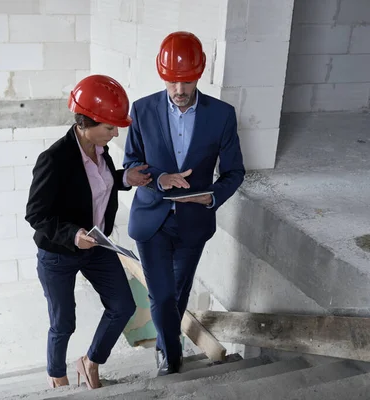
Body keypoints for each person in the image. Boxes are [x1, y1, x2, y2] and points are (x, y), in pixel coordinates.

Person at [123, 31, 246, 376]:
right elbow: (131, 163)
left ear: (199, 74)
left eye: (187, 81)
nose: (180, 90)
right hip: (151, 220)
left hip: (193, 222)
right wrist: (159, 179)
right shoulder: (141, 110)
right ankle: (171, 360)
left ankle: (165, 347)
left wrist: (213, 196)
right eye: (173, 81)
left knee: (177, 295)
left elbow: (235, 172)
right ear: (162, 75)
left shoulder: (221, 115)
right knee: (161, 296)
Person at [25, 74, 152, 389]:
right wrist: (72, 235)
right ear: (85, 123)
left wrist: (125, 178)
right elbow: (36, 214)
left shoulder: (99, 148)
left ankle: (91, 361)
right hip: (59, 254)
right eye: (109, 127)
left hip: (96, 246)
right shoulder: (53, 160)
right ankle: (58, 378)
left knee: (123, 306)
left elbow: (97, 185)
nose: (115, 132)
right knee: (63, 323)